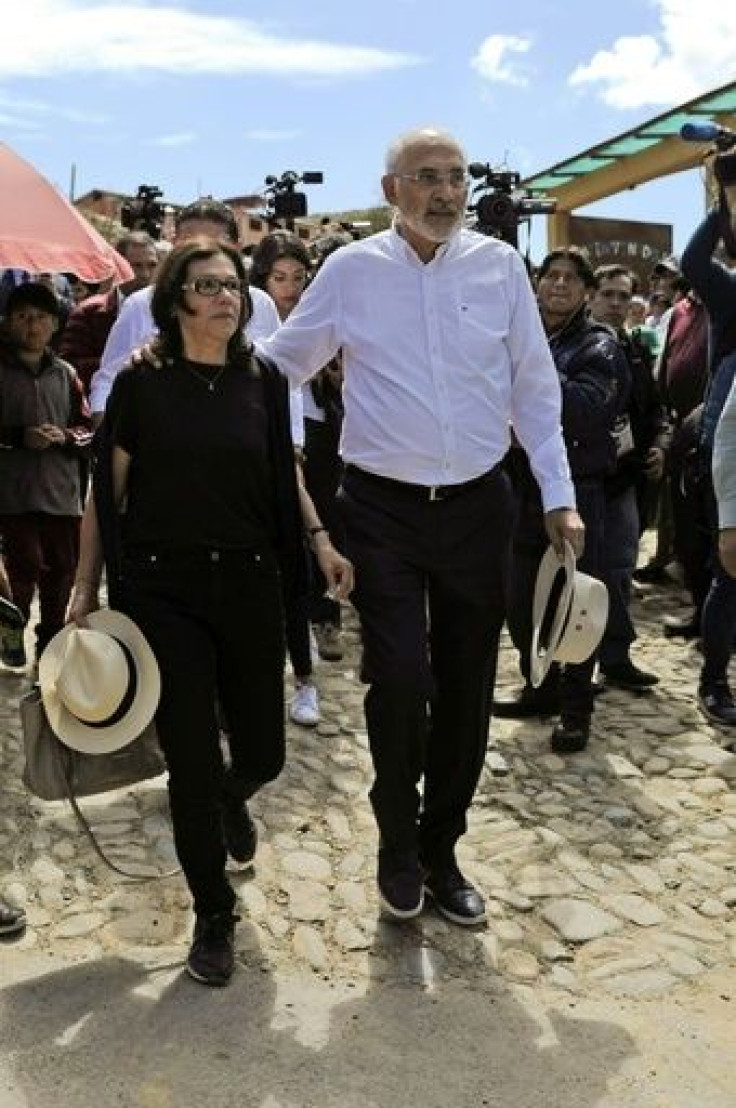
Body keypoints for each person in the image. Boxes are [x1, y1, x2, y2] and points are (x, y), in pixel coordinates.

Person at [257, 127, 583, 927]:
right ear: (391, 187)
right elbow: (281, 362)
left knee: (469, 686)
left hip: (479, 507)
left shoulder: (500, 266)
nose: (446, 192)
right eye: (427, 177)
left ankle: (442, 850)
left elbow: (535, 389)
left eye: (456, 177)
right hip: (381, 512)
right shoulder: (351, 270)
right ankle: (396, 841)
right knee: (399, 676)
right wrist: (181, 361)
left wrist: (558, 493)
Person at [67, 238, 352, 986]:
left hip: (253, 583)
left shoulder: (263, 377)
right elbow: (107, 490)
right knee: (190, 762)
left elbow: (280, 470)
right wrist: (82, 588)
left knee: (263, 753)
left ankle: (234, 797)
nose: (226, 297)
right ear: (176, 300)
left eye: (233, 284)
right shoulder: (143, 384)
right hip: (164, 592)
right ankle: (213, 913)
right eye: (207, 286)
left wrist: (319, 539)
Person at [495, 248, 630, 750]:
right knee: (522, 600)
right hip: (521, 488)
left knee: (574, 603)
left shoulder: (600, 346)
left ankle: (576, 710)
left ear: (587, 293)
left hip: (577, 490)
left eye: (570, 279)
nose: (557, 284)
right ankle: (540, 689)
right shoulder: (526, 337)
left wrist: (530, 371)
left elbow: (582, 411)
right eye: (549, 275)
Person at [89, 199, 280, 423]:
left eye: (215, 243)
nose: (202, 254)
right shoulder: (140, 305)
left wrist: (294, 441)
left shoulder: (262, 305)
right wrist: (108, 437)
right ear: (173, 244)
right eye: (189, 244)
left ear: (236, 247)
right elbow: (108, 383)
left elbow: (282, 377)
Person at [0, 282, 92, 670]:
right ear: (8, 324)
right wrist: (19, 437)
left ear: (55, 324)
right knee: (23, 569)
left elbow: (87, 427)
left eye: (40, 318)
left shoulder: (66, 374)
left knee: (61, 574)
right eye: (22, 317)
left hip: (62, 494)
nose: (32, 326)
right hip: (13, 494)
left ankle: (50, 647)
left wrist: (65, 437)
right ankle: (11, 630)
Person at [250, 232, 322, 725]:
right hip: (228, 469)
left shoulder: (258, 311)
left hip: (276, 456)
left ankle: (305, 680)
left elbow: (285, 382)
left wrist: (292, 447)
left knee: (292, 571)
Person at [588, 264, 669, 690]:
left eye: (623, 296)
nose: (615, 304)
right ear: (591, 296)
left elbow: (654, 410)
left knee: (618, 570)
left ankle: (615, 657)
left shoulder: (636, 350)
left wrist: (659, 445)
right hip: (576, 481)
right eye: (607, 294)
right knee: (577, 575)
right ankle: (571, 664)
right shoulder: (568, 344)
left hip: (621, 483)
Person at [681, 183, 736, 726]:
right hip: (729, 452)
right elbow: (695, 260)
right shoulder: (729, 293)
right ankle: (713, 681)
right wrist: (726, 200)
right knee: (730, 571)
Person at [59, 232, 159, 394]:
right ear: (118, 266)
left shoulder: (169, 312)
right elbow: (68, 366)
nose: (145, 275)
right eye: (137, 266)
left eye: (152, 265)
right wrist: (120, 362)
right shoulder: (88, 312)